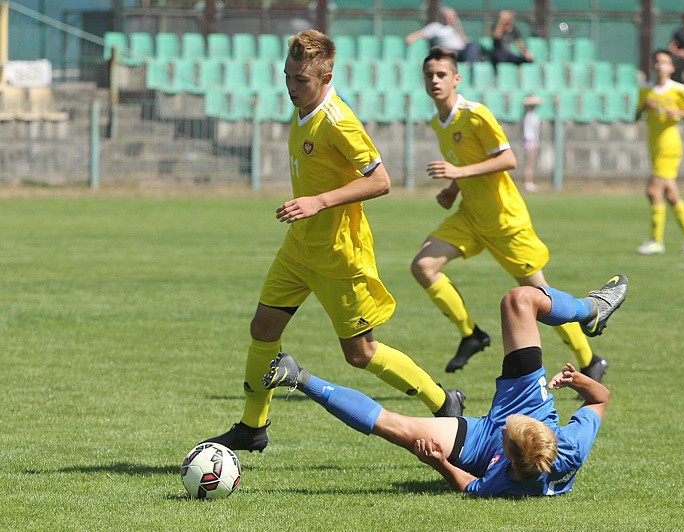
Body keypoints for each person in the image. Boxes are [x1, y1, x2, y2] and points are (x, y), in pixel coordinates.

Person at [204, 31, 464, 453]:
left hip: (340, 255)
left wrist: (319, 201)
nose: (290, 87)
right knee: (263, 328)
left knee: (360, 354)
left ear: (326, 77)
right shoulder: (302, 105)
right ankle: (252, 427)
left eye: (300, 80)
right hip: (299, 248)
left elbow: (381, 181)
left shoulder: (338, 120)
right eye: (286, 77)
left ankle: (442, 399)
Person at [262, 274, 627, 497]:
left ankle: (297, 376)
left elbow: (469, 485)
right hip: (529, 401)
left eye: (509, 432)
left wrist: (438, 463)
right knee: (519, 299)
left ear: (508, 458)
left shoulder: (504, 482)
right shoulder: (570, 447)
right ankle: (590, 310)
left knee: (395, 428)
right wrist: (578, 379)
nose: (507, 424)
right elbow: (600, 399)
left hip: (479, 445)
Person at [410, 47, 608, 386]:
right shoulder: (437, 122)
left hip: (505, 220)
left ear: (456, 79)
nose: (434, 80)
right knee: (423, 266)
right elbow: (468, 161)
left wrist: (458, 171)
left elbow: (507, 159)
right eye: (429, 75)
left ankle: (590, 361)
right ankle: (470, 334)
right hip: (470, 215)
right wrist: (453, 189)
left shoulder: (476, 115)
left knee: (541, 297)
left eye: (441, 74)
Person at [635, 50, 684, 257]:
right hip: (654, 146)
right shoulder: (646, 90)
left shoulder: (678, 89)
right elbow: (635, 115)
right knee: (671, 195)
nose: (660, 66)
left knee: (652, 192)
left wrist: (678, 113)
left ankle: (657, 241)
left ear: (671, 67)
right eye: (657, 62)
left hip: (669, 146)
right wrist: (644, 107)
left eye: (664, 62)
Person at [405, 7, 480, 64]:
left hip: (460, 53)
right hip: (447, 52)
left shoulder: (455, 28)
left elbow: (464, 42)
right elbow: (420, 34)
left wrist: (459, 27)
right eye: (448, 16)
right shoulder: (435, 26)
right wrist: (411, 38)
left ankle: (468, 66)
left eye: (452, 16)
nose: (450, 18)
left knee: (472, 45)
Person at [521, 95, 541, 193]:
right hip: (530, 141)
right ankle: (528, 182)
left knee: (530, 163)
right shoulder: (530, 116)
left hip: (531, 141)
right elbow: (529, 132)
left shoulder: (529, 115)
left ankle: (529, 181)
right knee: (529, 163)